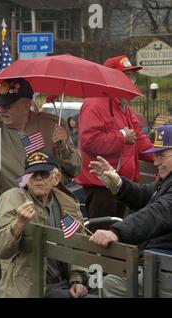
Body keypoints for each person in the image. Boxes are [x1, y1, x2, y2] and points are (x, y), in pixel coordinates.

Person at [88, 124, 172, 297]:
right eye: (155, 156)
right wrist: (118, 183)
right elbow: (145, 195)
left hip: (165, 266)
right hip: (155, 260)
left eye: (161, 156)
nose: (156, 162)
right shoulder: (166, 180)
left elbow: (158, 212)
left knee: (110, 285)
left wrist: (117, 232)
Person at [0, 151, 88, 298]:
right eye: (32, 174)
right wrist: (18, 224)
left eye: (43, 174)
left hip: (65, 282)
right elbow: (0, 250)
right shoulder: (12, 198)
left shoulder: (67, 203)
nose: (37, 179)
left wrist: (77, 279)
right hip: (29, 287)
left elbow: (78, 243)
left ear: (56, 178)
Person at [75, 55, 154, 229]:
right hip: (101, 186)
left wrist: (159, 156)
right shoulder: (95, 103)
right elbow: (89, 140)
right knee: (101, 239)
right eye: (127, 75)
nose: (132, 79)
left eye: (132, 75)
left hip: (121, 184)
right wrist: (121, 137)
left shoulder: (123, 105)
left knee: (115, 238)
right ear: (110, 77)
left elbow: (138, 139)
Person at [0, 78, 81, 195]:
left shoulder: (52, 126)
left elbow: (75, 169)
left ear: (27, 104)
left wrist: (64, 147)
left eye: (8, 106)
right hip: (12, 200)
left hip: (50, 199)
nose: (1, 110)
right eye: (0, 105)